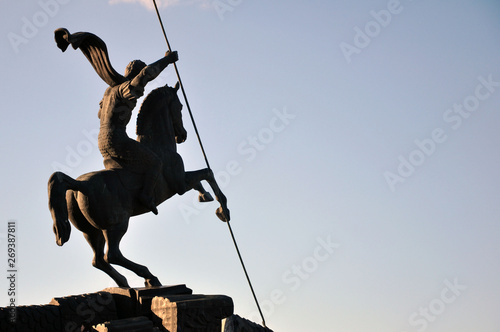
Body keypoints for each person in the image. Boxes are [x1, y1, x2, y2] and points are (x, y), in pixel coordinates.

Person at [97, 51, 179, 214]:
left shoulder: (109, 91)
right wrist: (167, 60)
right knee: (155, 162)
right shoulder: (125, 88)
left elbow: (100, 113)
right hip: (117, 139)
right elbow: (147, 74)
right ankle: (146, 195)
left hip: (102, 141)